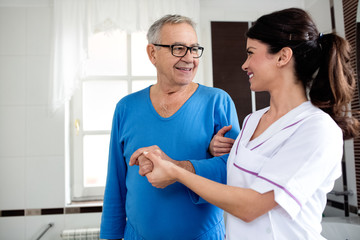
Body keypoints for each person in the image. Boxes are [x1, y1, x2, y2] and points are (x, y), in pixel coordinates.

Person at [141, 8, 360, 239]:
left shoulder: (317, 129)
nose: (245, 65)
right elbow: (232, 181)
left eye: (251, 53)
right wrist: (189, 156)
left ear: (282, 56)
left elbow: (251, 207)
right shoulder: (252, 120)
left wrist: (175, 172)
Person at [99, 14, 240, 240]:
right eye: (178, 48)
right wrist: (110, 236)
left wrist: (180, 168)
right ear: (152, 53)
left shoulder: (217, 102)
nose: (189, 58)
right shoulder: (126, 108)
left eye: (194, 49)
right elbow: (115, 183)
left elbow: (234, 173)